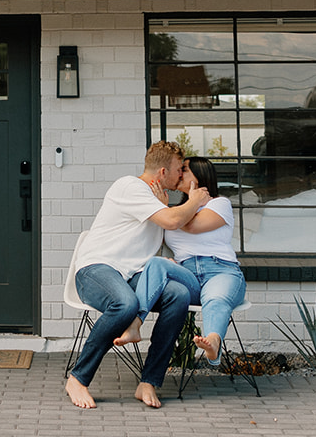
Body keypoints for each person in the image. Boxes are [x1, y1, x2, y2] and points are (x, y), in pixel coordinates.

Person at [64, 141, 212, 410]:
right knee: (125, 304)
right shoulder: (129, 187)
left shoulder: (158, 202)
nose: (182, 175)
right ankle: (77, 378)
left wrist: (168, 209)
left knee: (177, 295)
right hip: (96, 269)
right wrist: (194, 201)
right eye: (180, 170)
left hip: (131, 275)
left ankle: (149, 381)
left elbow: (168, 228)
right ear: (163, 171)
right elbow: (172, 221)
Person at [164, 156, 248, 366]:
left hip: (221, 271)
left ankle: (212, 342)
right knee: (156, 268)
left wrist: (166, 210)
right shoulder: (174, 212)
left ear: (200, 176)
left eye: (184, 169)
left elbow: (192, 226)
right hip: (187, 275)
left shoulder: (220, 204)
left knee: (216, 298)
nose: (179, 172)